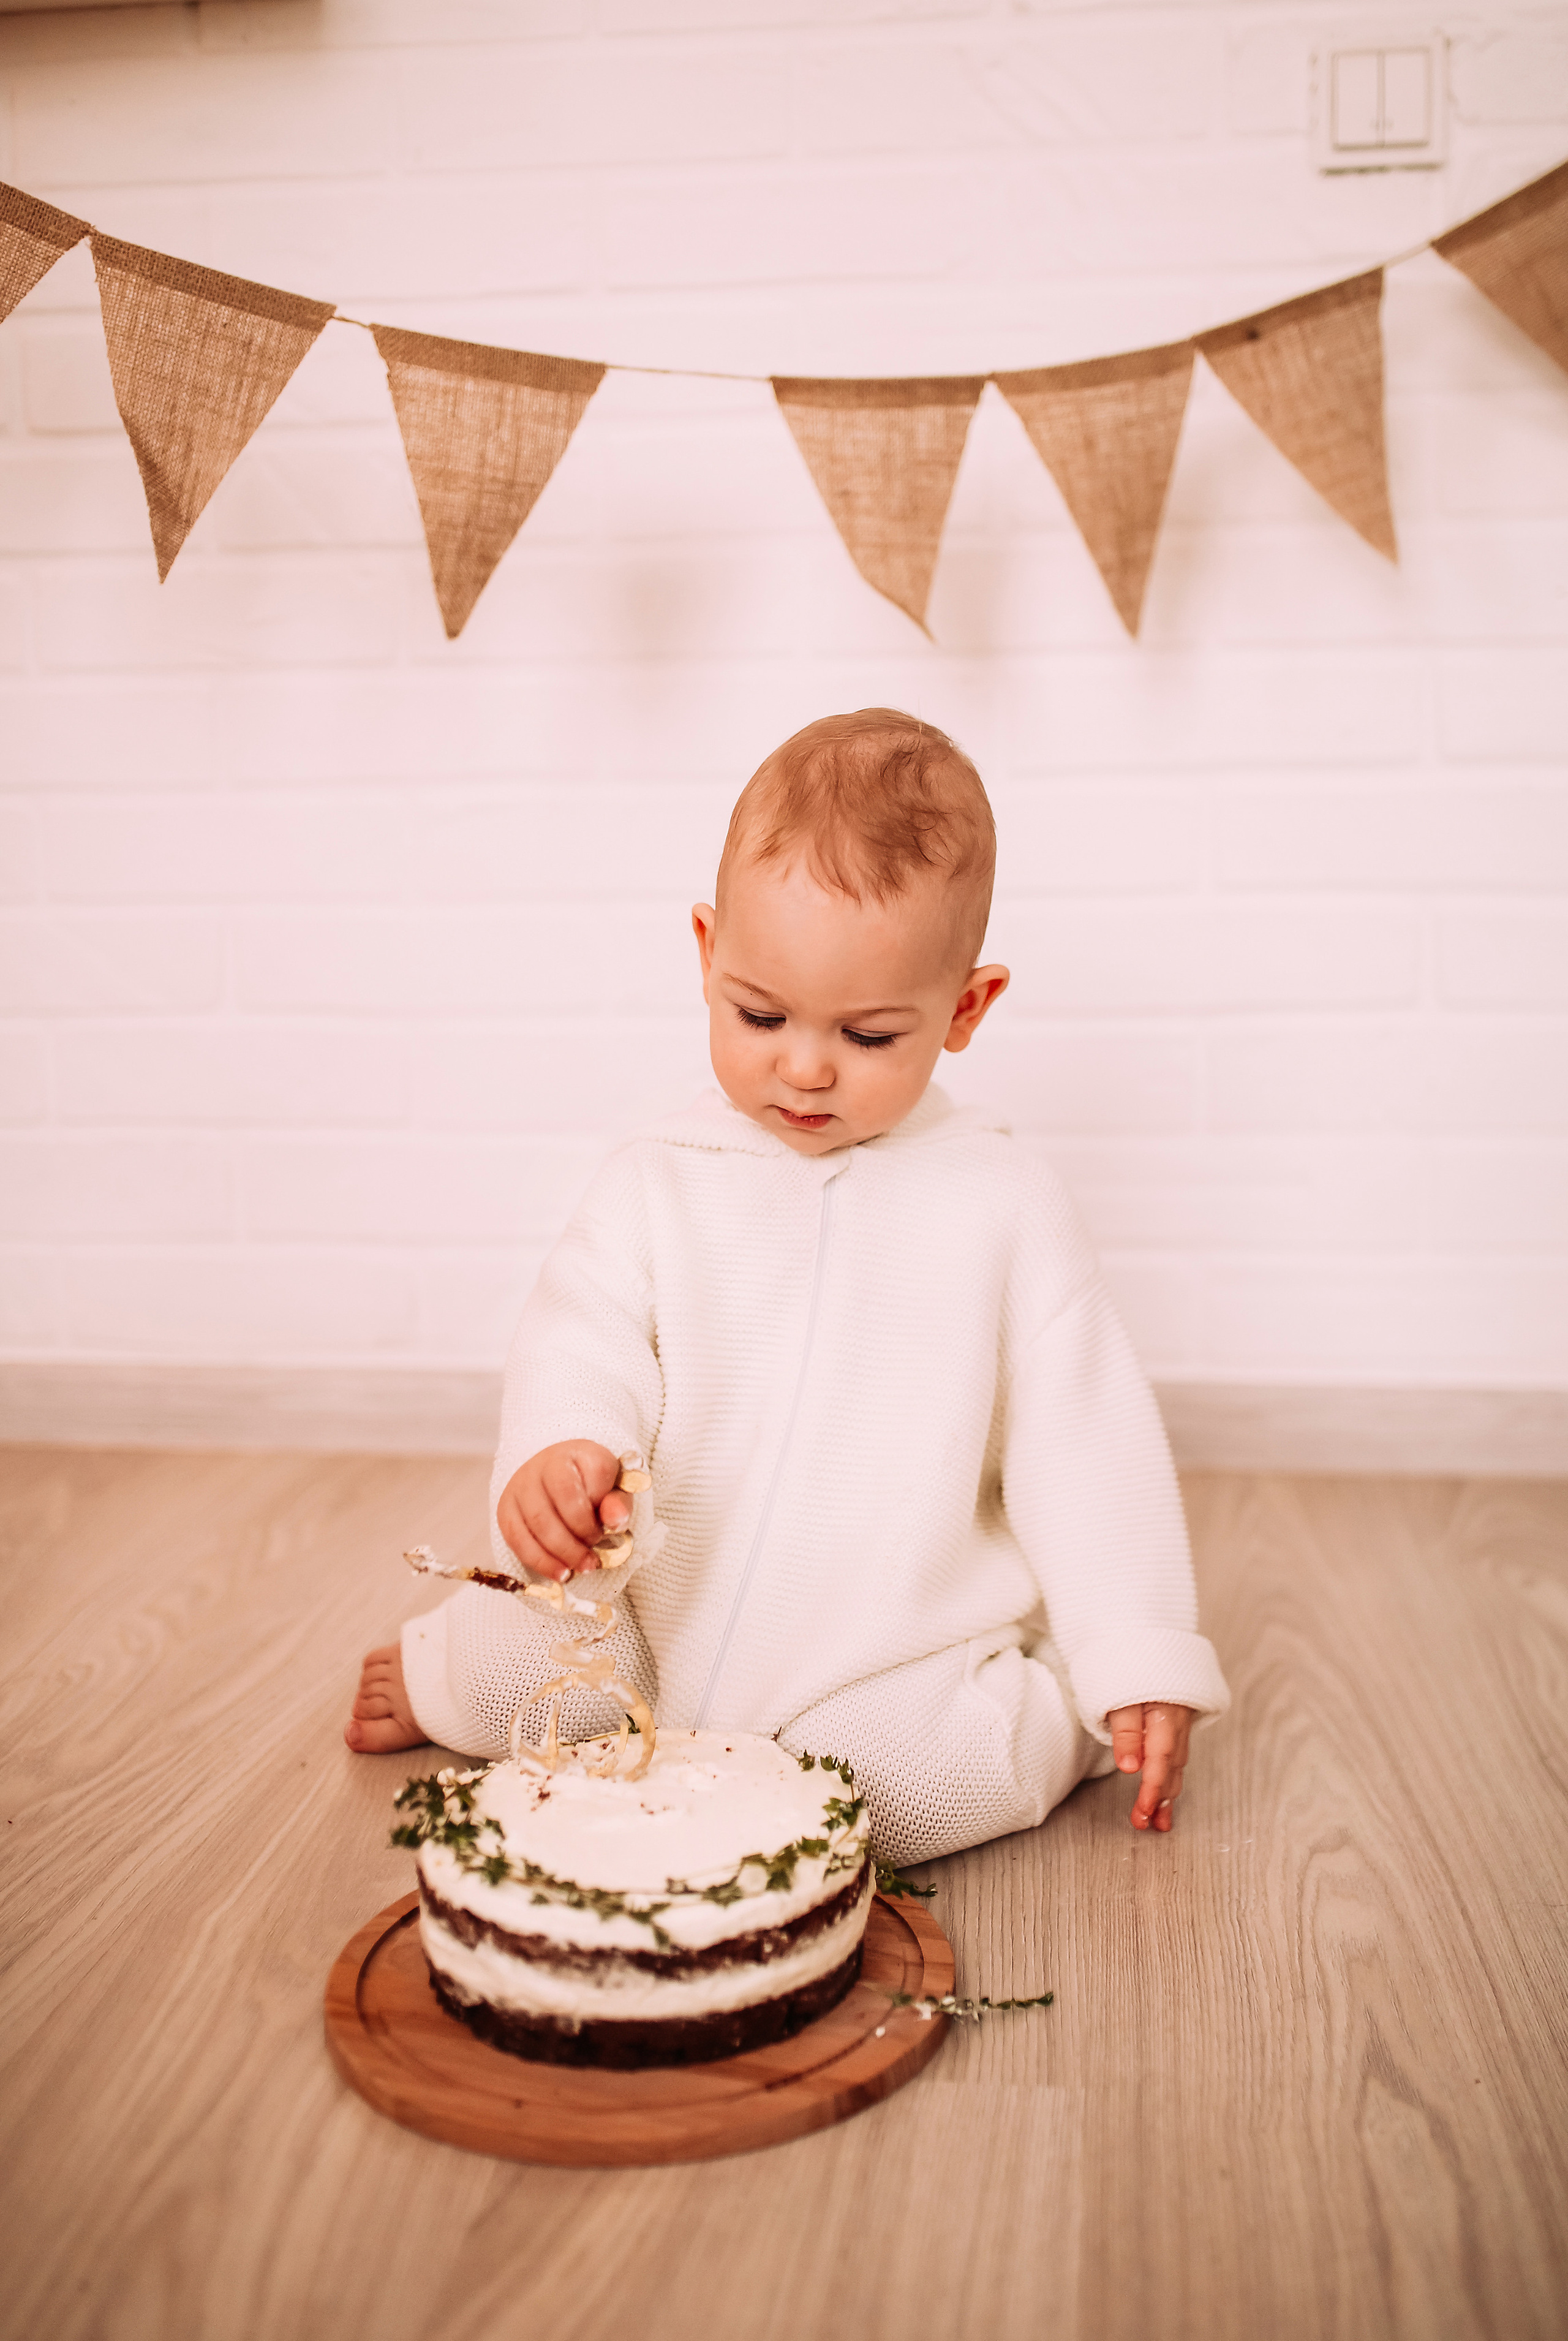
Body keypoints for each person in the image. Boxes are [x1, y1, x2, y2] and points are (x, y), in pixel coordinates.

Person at [346, 709, 1229, 1866]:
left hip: (877, 1658)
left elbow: (1086, 1441)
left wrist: (1138, 1647)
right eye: (760, 1014)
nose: (803, 1067)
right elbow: (584, 1333)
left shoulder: (1003, 1205)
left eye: (867, 1035)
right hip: (654, 1623)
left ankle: (1051, 1713)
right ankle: (450, 1668)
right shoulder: (660, 1179)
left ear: (965, 1009)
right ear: (708, 954)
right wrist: (566, 1449)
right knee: (523, 1668)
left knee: (890, 1800)